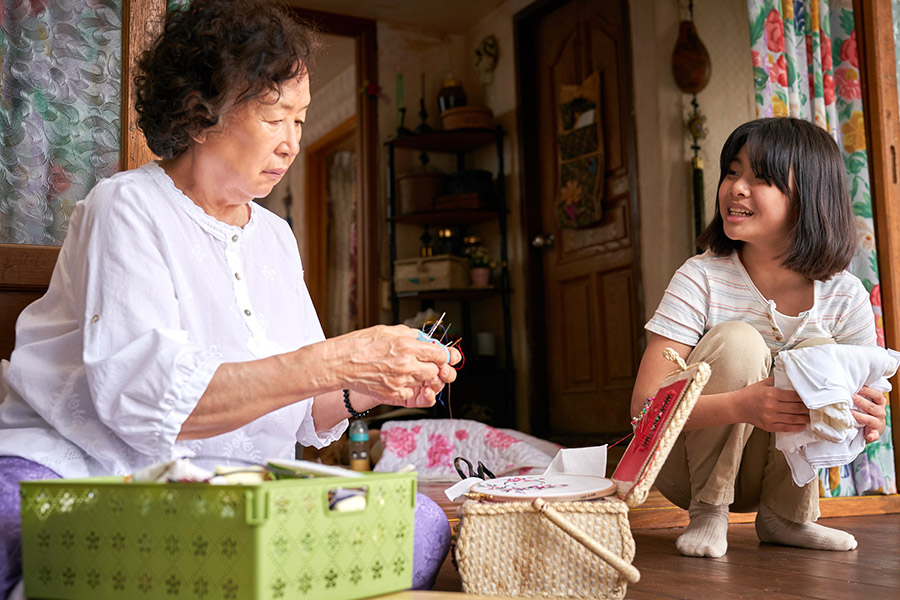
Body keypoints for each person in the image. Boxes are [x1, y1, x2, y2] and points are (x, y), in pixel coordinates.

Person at [0, 1, 459, 596]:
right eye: (275, 118)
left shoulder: (275, 237)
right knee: (16, 528)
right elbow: (141, 401)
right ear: (200, 115)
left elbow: (302, 406)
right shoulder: (125, 207)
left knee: (420, 525)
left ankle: (192, 575)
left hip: (216, 488)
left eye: (301, 120)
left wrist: (367, 386)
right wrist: (337, 359)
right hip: (85, 471)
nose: (292, 144)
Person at [632, 117, 888, 559]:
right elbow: (643, 407)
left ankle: (787, 516)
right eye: (732, 172)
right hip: (685, 472)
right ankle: (709, 511)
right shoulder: (701, 277)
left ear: (809, 197)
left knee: (819, 354)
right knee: (737, 341)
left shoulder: (845, 296)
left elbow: (865, 407)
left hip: (775, 473)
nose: (737, 188)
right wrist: (743, 404)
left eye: (761, 179)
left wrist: (866, 417)